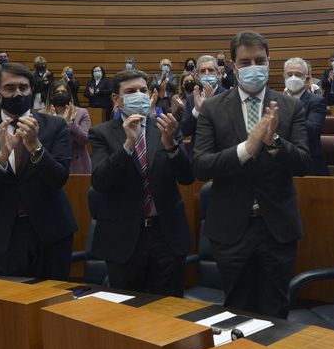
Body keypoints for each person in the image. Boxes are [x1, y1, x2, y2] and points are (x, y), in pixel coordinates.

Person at [193, 31, 310, 318]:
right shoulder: (213, 108)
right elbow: (201, 165)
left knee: (276, 310)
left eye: (259, 60)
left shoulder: (290, 106)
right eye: (245, 62)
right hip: (231, 228)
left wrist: (275, 143)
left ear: (269, 63)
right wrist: (247, 148)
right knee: (237, 310)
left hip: (277, 228)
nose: (253, 66)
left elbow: (304, 163)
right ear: (234, 66)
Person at [0, 63, 77, 280]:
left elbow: (59, 178)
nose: (18, 93)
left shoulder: (56, 126)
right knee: (9, 306)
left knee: (53, 301)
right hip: (2, 232)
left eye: (24, 87)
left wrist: (35, 147)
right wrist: (1, 158)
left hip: (51, 230)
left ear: (32, 90)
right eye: (10, 88)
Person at [89, 69, 194, 295]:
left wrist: (171, 146)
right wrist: (128, 145)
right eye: (130, 91)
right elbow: (100, 181)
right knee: (128, 314)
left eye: (143, 90)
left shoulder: (166, 127)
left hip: (166, 235)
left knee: (169, 312)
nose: (139, 95)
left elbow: (187, 177)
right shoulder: (102, 133)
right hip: (123, 238)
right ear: (116, 100)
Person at [284, 57, 328, 176]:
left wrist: (288, 112)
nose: (293, 78)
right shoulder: (276, 101)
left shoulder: (317, 101)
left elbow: (312, 130)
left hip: (310, 164)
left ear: (307, 79)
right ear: (285, 78)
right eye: (289, 74)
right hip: (282, 163)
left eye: (298, 75)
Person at [181, 55, 227, 148]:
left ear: (218, 73)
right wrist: (197, 111)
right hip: (198, 152)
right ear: (197, 76)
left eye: (210, 70)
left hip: (223, 152)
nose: (207, 73)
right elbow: (185, 131)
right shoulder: (192, 98)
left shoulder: (228, 95)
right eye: (203, 71)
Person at [46, 81, 91, 174]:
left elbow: (85, 140)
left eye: (63, 92)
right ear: (51, 95)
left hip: (77, 164)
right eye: (57, 92)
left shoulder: (82, 113)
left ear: (69, 95)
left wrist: (71, 123)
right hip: (51, 163)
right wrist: (55, 123)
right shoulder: (42, 114)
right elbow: (42, 142)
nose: (60, 94)